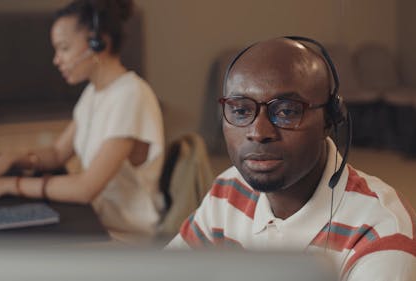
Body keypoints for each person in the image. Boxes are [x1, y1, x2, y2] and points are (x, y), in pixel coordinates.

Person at [167, 37, 415, 281]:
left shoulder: (380, 231)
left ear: (330, 120)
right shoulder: (229, 189)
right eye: (241, 110)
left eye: (286, 111)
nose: (259, 132)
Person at [0, 0, 165, 241]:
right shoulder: (95, 93)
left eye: (63, 48)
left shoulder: (130, 95)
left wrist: (6, 185)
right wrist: (10, 159)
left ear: (97, 43)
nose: (56, 60)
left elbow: (85, 188)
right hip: (95, 219)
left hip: (122, 236)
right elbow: (57, 153)